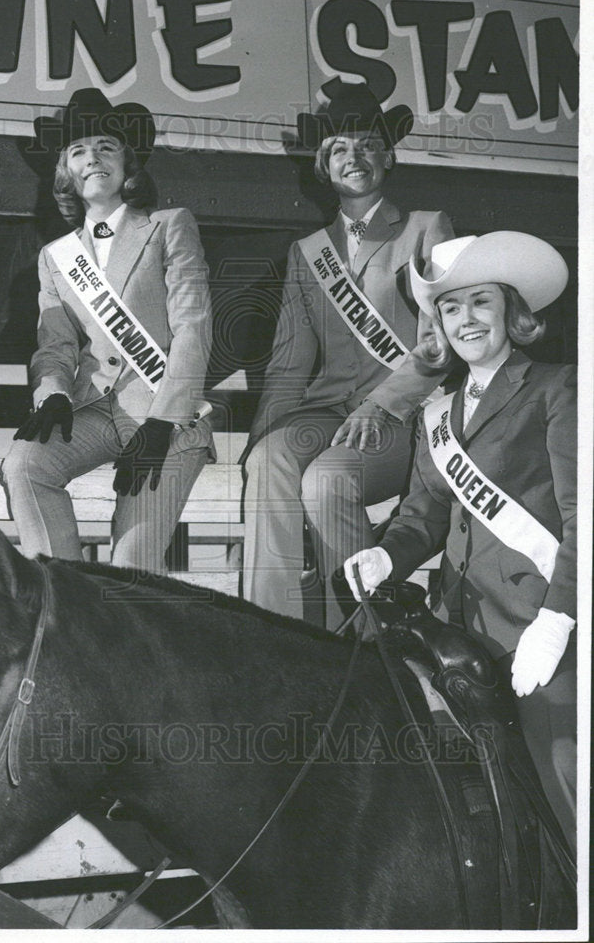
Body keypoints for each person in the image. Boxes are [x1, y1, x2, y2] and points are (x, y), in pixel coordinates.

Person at [344, 231, 576, 852]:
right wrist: (388, 554)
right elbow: (425, 514)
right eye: (450, 307)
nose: (465, 319)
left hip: (544, 626)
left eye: (480, 303)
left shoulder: (560, 388)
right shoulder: (435, 413)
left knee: (564, 769)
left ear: (512, 312)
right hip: (456, 625)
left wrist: (558, 620)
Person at [243, 78, 454, 627]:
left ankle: (365, 639)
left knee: (327, 479)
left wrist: (379, 404)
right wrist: (262, 433)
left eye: (365, 144)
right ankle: (274, 628)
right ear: (324, 165)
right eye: (339, 147)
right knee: (268, 461)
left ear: (387, 155)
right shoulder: (307, 253)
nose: (352, 155)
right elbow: (289, 361)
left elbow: (438, 342)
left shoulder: (425, 229)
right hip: (330, 411)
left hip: (400, 421)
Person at [2, 89, 213, 570]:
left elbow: (193, 327)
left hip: (165, 416)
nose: (92, 157)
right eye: (78, 150)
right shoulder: (56, 257)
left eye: (106, 147)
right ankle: (63, 594)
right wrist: (52, 392)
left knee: (133, 563)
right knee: (24, 465)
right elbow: (54, 345)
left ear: (128, 165)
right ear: (66, 173)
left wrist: (163, 420)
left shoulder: (168, 226)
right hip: (91, 410)